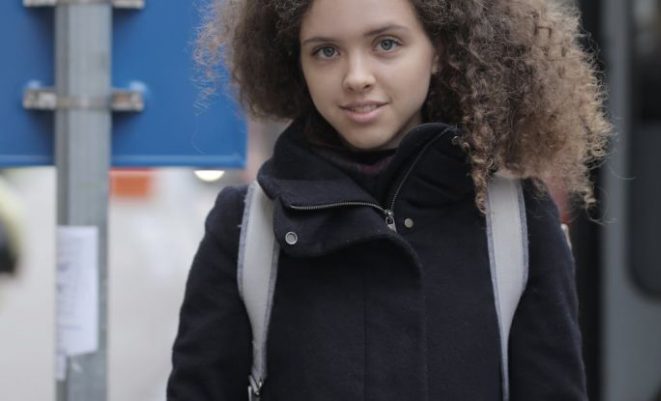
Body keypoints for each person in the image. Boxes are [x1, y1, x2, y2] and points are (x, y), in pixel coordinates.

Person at [168, 0, 611, 400]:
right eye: (325, 51)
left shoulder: (517, 220)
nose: (356, 77)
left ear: (438, 50)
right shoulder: (245, 228)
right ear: (295, 64)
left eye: (386, 44)